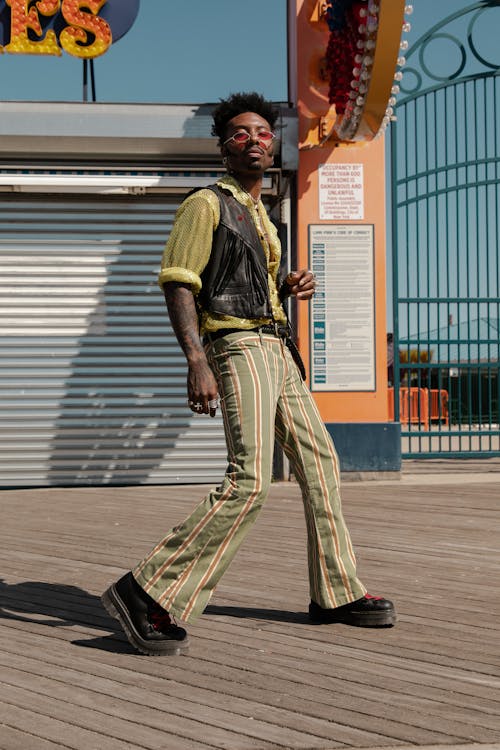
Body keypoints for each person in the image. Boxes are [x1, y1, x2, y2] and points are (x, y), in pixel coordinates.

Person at [102, 92, 396, 656]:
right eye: (240, 133)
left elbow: (235, 277)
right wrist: (196, 360)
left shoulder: (260, 212)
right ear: (224, 147)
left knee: (322, 463)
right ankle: (145, 591)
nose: (254, 140)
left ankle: (336, 591)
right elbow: (180, 280)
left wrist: (283, 287)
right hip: (237, 346)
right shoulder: (205, 204)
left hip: (276, 346)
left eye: (262, 132)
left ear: (273, 143)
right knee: (250, 480)